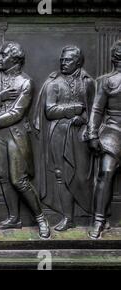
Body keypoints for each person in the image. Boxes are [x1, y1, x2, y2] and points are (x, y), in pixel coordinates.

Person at [0, 42, 51, 239]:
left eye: (4, 55)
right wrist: (0, 97)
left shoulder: (26, 82)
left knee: (19, 179)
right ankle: (14, 218)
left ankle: (41, 219)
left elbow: (16, 113)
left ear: (15, 59)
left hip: (16, 134)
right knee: (4, 178)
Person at [34, 45, 94, 231]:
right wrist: (72, 110)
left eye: (68, 60)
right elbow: (50, 111)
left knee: (81, 175)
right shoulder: (54, 84)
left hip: (81, 135)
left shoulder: (88, 83)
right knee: (61, 175)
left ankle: (90, 214)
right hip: (58, 134)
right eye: (62, 60)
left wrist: (83, 119)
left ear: (77, 61)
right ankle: (68, 217)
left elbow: (95, 111)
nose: (63, 63)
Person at [86, 40, 121, 239]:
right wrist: (92, 133)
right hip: (113, 130)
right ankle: (99, 220)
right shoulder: (106, 81)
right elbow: (97, 109)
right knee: (105, 172)